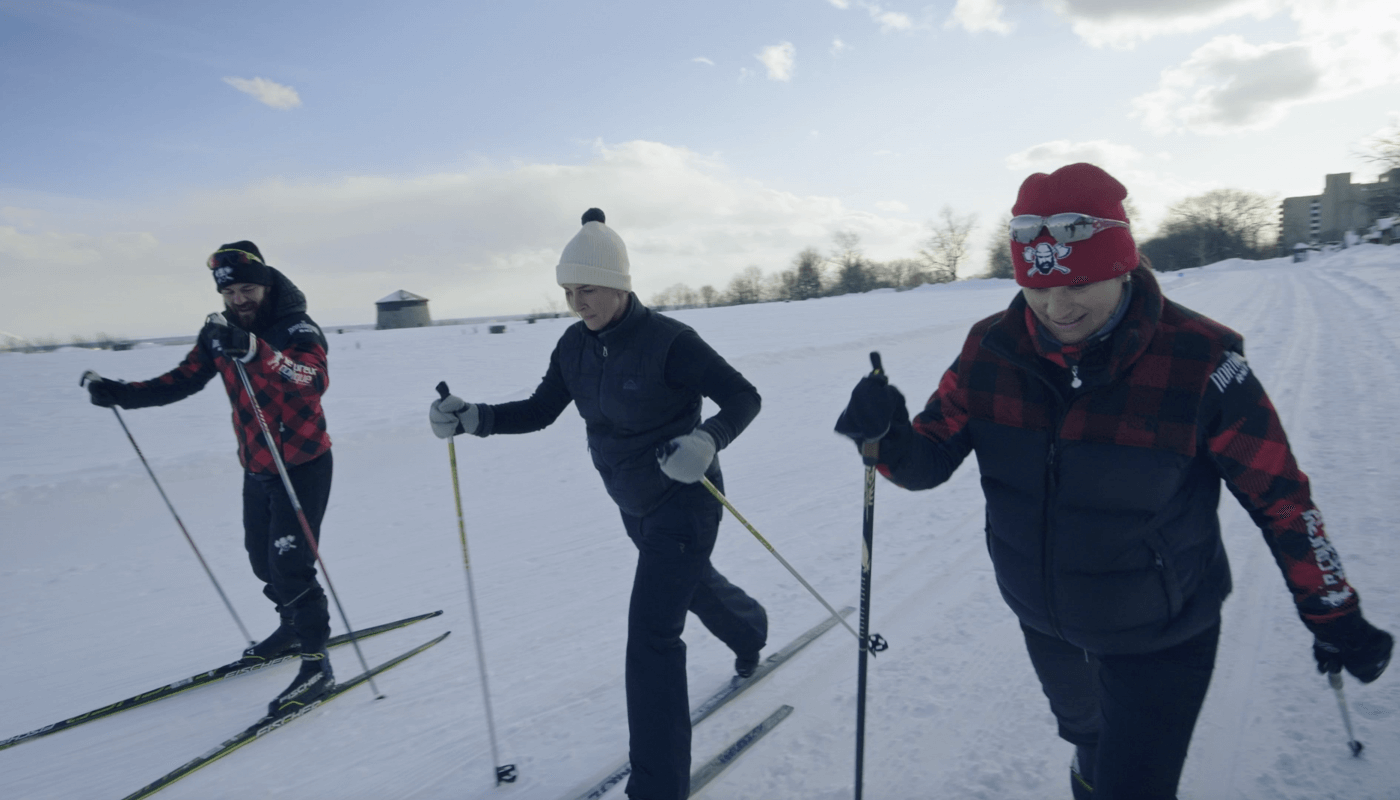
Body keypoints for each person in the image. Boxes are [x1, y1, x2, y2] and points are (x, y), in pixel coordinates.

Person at [834, 164, 1393, 799]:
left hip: (1162, 634)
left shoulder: (1201, 360)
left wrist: (1332, 611)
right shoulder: (991, 348)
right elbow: (928, 458)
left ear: (1123, 263)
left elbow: (1281, 497)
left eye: (1079, 283)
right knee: (1091, 745)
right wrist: (887, 438)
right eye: (1037, 287)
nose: (1056, 306)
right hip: (1045, 620)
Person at [429, 209, 769, 800]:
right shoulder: (573, 347)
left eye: (586, 289)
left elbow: (744, 396)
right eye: (567, 291)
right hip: (632, 504)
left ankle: (658, 789)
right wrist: (474, 418)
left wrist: (707, 438)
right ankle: (750, 631)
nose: (575, 302)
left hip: (687, 502)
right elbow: (539, 411)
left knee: (651, 638)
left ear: (619, 284)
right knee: (692, 588)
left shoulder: (671, 342)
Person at [84, 241, 338, 718]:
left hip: (302, 464)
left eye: (248, 289)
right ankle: (289, 628)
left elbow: (311, 378)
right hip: (258, 465)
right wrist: (119, 394)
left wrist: (259, 353)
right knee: (262, 562)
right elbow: (180, 380)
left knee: (291, 564)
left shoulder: (296, 326)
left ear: (265, 284)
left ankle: (316, 662)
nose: (240, 299)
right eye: (231, 292)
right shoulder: (218, 333)